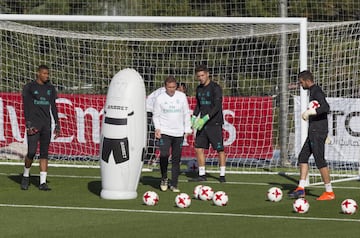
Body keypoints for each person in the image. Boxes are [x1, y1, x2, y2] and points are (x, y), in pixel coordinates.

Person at [289, 70, 335, 200]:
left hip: (317, 132)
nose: (300, 84)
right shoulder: (312, 91)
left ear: (306, 80)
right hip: (314, 131)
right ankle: (301, 188)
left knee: (319, 160)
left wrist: (310, 112)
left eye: (301, 82)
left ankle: (329, 192)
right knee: (302, 157)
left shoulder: (316, 91)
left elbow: (326, 108)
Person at [21, 65, 60, 191]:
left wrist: (57, 124)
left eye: (47, 73)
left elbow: (53, 107)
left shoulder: (50, 88)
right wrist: (28, 123)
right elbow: (26, 106)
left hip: (46, 125)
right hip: (34, 125)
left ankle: (42, 182)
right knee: (31, 152)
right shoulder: (30, 87)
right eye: (44, 73)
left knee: (44, 153)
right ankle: (26, 175)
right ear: (38, 73)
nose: (46, 76)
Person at [152, 76, 192, 192]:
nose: (171, 89)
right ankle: (164, 177)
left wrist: (187, 128)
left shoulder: (182, 96)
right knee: (164, 155)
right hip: (164, 132)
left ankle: (174, 183)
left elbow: (185, 113)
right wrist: (158, 128)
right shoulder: (160, 98)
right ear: (165, 87)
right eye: (169, 87)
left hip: (178, 133)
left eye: (174, 87)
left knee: (176, 159)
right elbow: (156, 115)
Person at [191, 64, 226, 183]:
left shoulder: (215, 88)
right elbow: (198, 105)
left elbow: (217, 106)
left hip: (214, 123)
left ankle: (222, 175)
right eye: (198, 76)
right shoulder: (199, 89)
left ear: (207, 74)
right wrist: (194, 116)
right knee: (198, 148)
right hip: (203, 124)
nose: (200, 78)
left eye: (202, 75)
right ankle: (202, 174)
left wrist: (206, 118)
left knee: (219, 149)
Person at [145, 82, 188, 164]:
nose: (182, 94)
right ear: (177, 88)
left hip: (154, 111)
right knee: (153, 134)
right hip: (149, 110)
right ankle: (150, 157)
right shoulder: (164, 93)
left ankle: (167, 156)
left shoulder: (172, 94)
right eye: (182, 91)